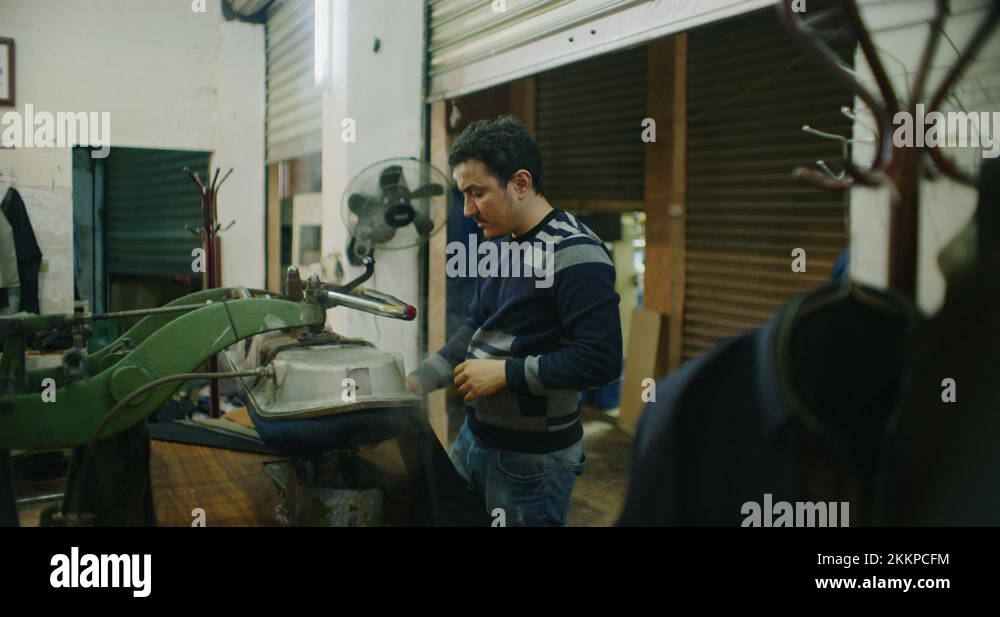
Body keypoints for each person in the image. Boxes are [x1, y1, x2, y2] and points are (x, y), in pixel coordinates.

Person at [406, 115, 622, 526]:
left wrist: (506, 373)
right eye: (463, 195)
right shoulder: (501, 243)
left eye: (477, 194)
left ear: (520, 183)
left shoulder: (576, 253)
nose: (468, 210)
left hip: (532, 461)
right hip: (476, 437)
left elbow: (601, 360)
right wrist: (421, 379)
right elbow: (476, 327)